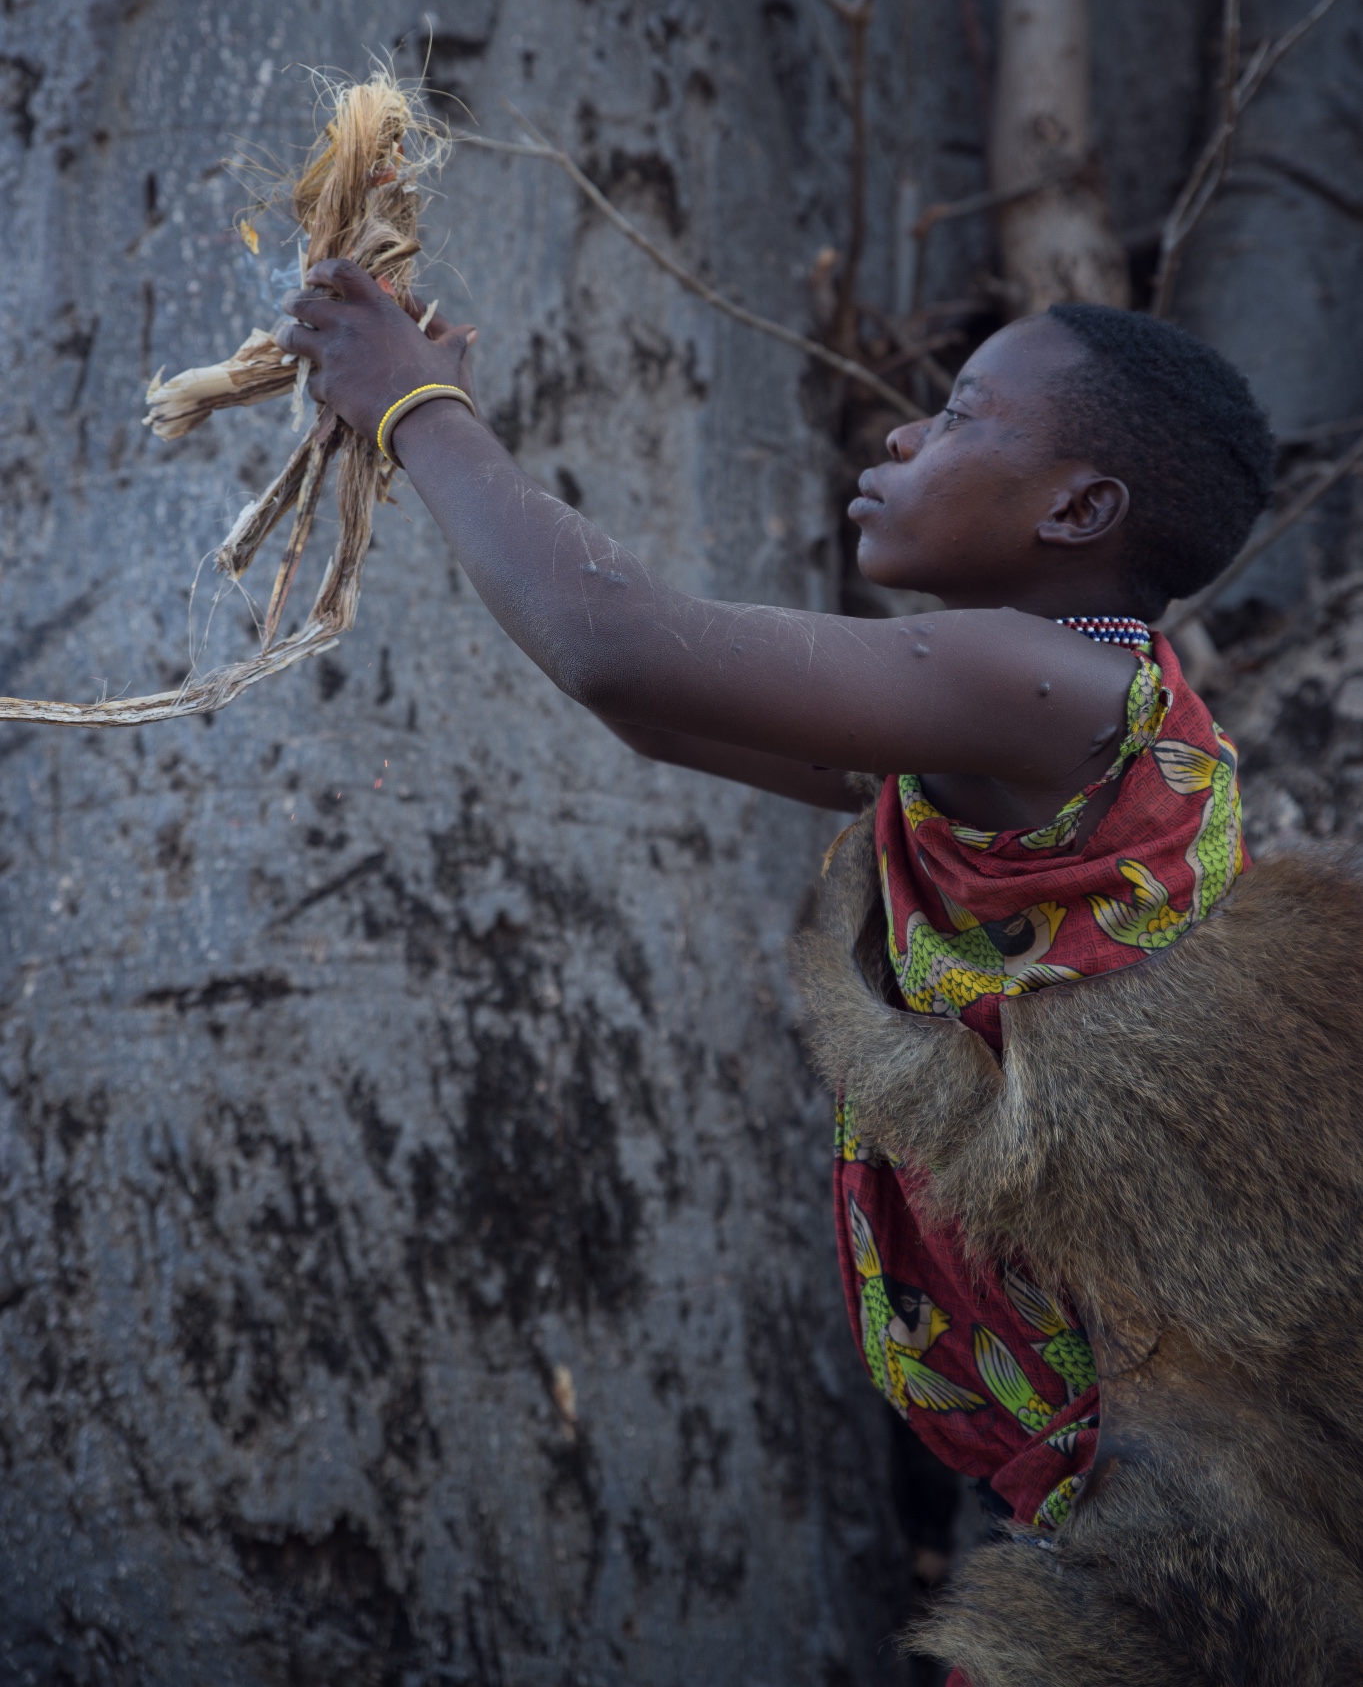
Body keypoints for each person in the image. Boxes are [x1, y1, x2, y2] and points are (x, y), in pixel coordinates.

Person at [276, 269, 1274, 1564]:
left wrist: (415, 404)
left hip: (1151, 1494)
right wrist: (440, 422)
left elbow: (618, 643)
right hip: (1114, 1478)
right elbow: (647, 705)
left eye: (964, 416)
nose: (904, 438)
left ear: (1080, 508)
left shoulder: (1043, 683)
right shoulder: (1037, 729)